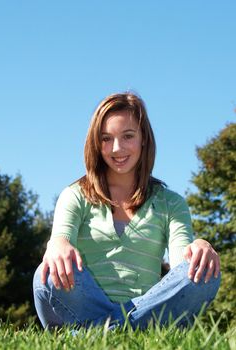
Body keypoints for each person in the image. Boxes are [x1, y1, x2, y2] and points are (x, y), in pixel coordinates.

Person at [33, 92, 220, 330]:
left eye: (127, 136)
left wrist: (200, 247)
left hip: (150, 307)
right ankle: (128, 329)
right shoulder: (75, 195)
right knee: (46, 274)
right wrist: (58, 243)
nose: (117, 148)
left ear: (143, 138)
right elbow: (61, 242)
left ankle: (96, 333)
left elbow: (182, 265)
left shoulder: (170, 203)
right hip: (85, 305)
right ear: (95, 143)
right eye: (106, 138)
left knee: (206, 273)